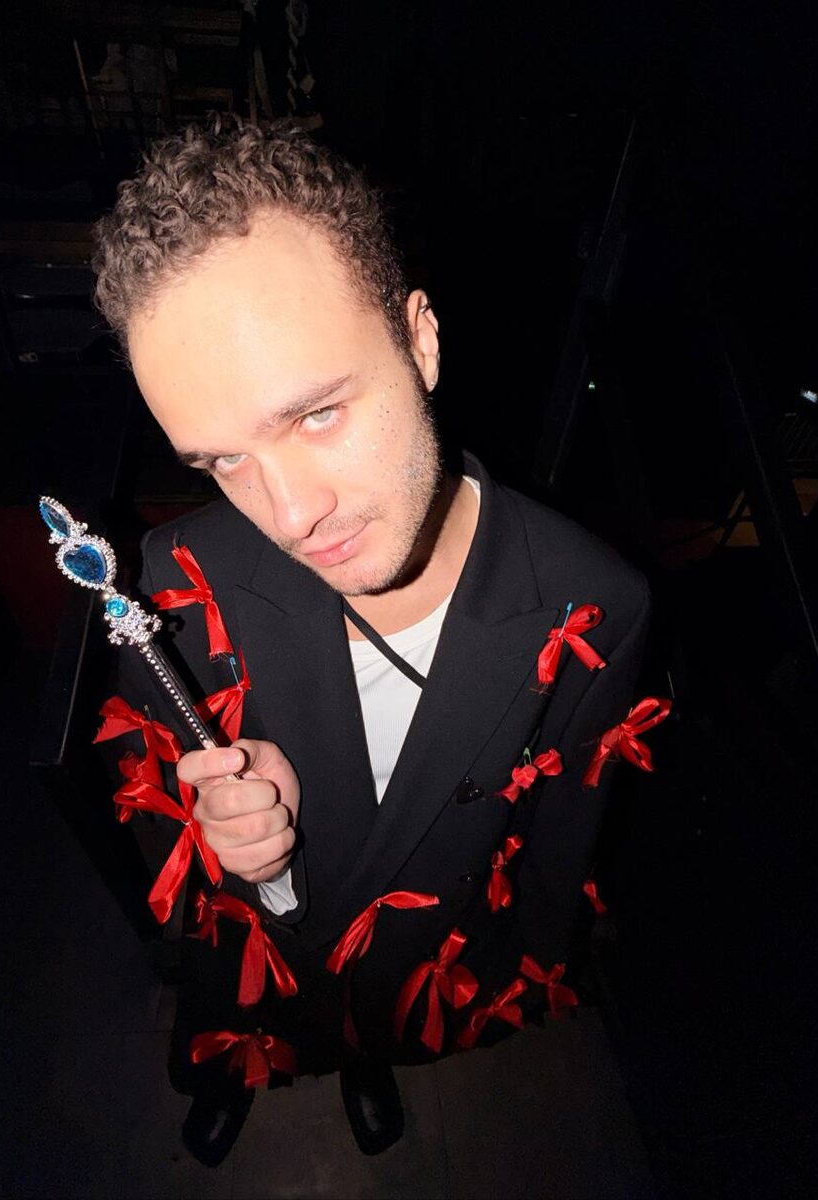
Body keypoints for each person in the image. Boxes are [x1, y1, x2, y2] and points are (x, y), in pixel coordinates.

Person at [91, 116, 656, 1167]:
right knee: (239, 1038)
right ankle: (235, 1070)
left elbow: (559, 850)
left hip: (415, 964)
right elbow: (151, 809)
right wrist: (231, 841)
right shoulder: (175, 579)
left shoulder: (592, 607)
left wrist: (517, 972)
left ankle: (362, 1064)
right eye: (221, 460)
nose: (289, 514)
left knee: (372, 1032)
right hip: (255, 953)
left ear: (421, 340)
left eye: (315, 415)